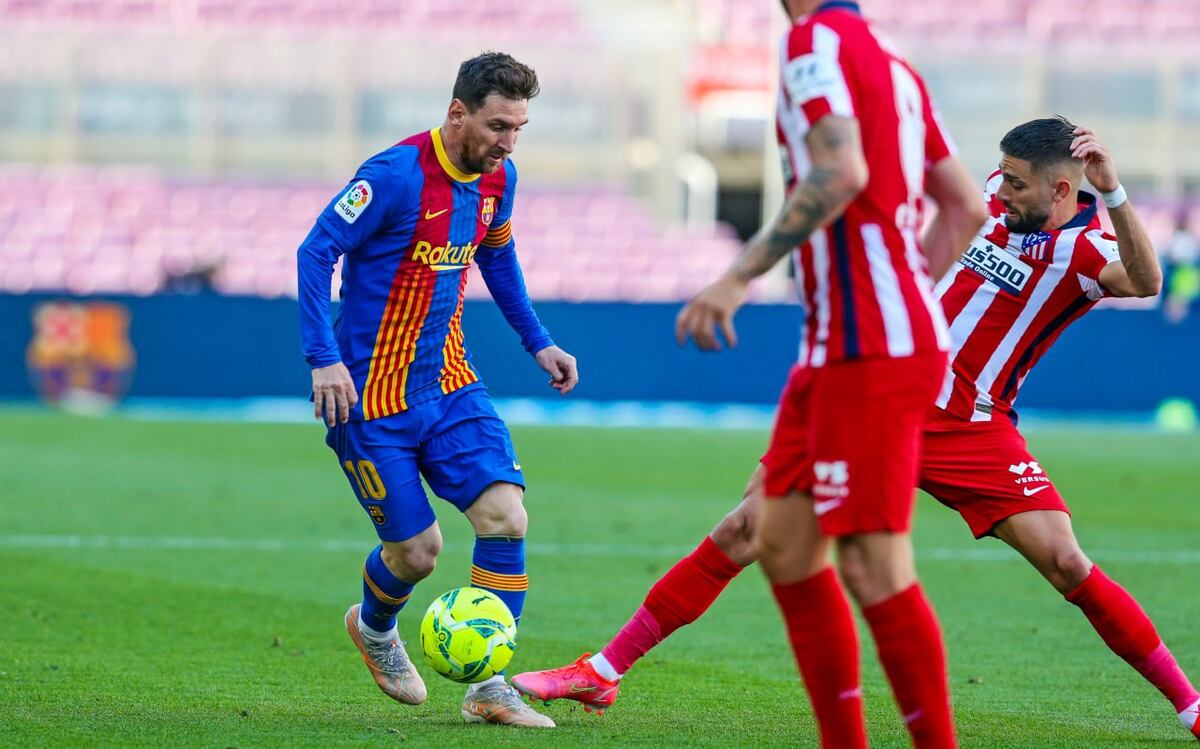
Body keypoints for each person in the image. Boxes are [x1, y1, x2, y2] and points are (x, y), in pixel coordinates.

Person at [515, 116, 1200, 742]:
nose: (1001, 190)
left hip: (974, 425)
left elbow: (1141, 281)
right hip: (882, 394)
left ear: (1061, 189)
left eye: (1017, 184)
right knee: (747, 526)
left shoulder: (1088, 247)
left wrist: (1112, 192)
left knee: (1067, 561)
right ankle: (604, 666)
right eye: (1001, 176)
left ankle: (1190, 706)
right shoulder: (990, 202)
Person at [519, 2, 983, 747]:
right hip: (850, 345)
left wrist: (737, 277)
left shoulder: (810, 43)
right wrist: (905, 303)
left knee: (873, 564)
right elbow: (963, 206)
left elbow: (840, 170)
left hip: (869, 349)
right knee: (782, 543)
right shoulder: (894, 65)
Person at [296, 51, 577, 729]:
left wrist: (537, 339)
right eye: (498, 126)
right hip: (371, 400)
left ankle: (490, 686)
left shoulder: (497, 179)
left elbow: (498, 256)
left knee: (507, 517)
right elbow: (315, 251)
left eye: (519, 128)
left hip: (450, 384)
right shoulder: (392, 176)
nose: (508, 143)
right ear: (458, 112)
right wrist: (322, 358)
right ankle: (375, 624)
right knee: (417, 553)